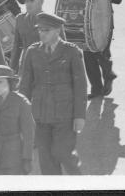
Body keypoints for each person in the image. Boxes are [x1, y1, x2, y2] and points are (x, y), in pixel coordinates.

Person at [19, 13, 86, 174]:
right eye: (40, 30)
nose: (41, 33)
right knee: (46, 159)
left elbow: (80, 86)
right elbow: (25, 86)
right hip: (40, 115)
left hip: (65, 114)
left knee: (62, 152)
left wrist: (79, 116)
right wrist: (21, 115)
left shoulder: (71, 52)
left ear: (57, 30)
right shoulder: (32, 51)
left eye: (46, 30)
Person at [53, 0, 121, 98]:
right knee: (88, 55)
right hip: (84, 22)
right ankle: (96, 89)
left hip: (104, 22)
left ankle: (108, 74)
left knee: (101, 52)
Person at [0, 65, 35, 175]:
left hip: (13, 158)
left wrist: (27, 159)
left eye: (1, 82)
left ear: (9, 83)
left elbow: (29, 134)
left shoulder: (21, 102)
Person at [10, 0, 46, 72]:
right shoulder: (20, 19)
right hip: (25, 66)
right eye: (26, 1)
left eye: (32, 1)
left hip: (44, 67)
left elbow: (61, 48)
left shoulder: (50, 20)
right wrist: (12, 69)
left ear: (41, 2)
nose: (28, 4)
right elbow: (16, 47)